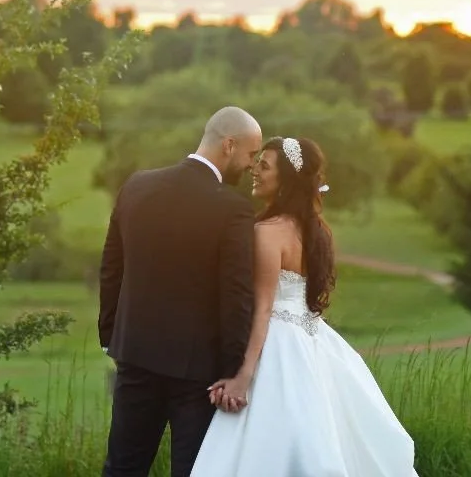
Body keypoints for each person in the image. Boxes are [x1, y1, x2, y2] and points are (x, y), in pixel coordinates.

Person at [191, 136, 419, 477]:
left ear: (286, 180)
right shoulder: (316, 233)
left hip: (279, 344)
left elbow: (264, 308)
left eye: (264, 166)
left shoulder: (266, 233)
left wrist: (243, 376)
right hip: (314, 340)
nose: (255, 171)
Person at [98, 106, 265, 477]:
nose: (252, 166)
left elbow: (112, 268)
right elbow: (235, 296)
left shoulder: (137, 185)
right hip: (199, 374)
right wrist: (231, 369)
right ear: (229, 145)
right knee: (193, 471)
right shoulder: (233, 209)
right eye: (251, 155)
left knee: (123, 467)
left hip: (135, 356)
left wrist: (110, 338)